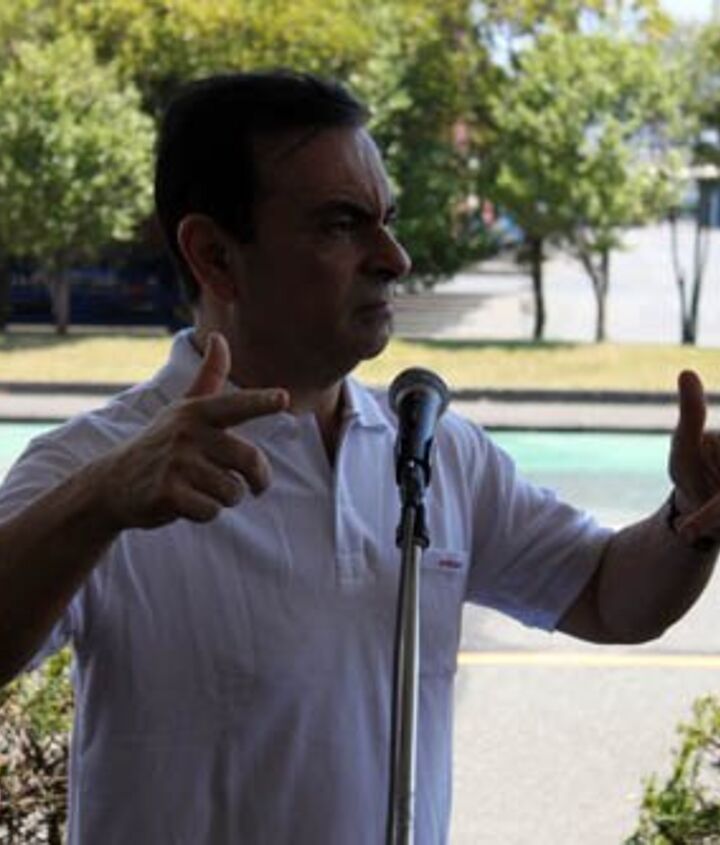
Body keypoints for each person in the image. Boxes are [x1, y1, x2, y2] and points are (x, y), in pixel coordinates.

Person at [0, 70, 718, 845]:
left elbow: (607, 596)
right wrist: (99, 503)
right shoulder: (98, 465)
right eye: (341, 224)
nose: (395, 258)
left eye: (388, 220)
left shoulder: (434, 446)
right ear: (215, 255)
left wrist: (691, 516)